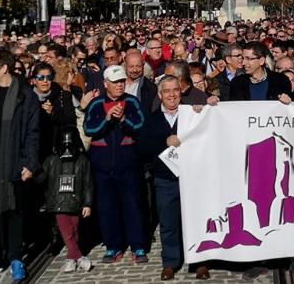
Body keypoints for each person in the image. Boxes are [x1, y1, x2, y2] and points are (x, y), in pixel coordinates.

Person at [0, 48, 41, 282]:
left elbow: (33, 132)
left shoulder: (25, 96)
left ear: (4, 68)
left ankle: (15, 257)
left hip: (14, 161)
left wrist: (30, 163)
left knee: (14, 211)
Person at [139, 76, 209, 280]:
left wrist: (208, 107)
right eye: (167, 91)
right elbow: (142, 148)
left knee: (196, 220)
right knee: (169, 222)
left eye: (175, 90)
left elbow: (210, 129)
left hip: (193, 178)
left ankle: (199, 262)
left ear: (181, 92)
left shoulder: (193, 114)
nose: (171, 95)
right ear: (160, 95)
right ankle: (170, 262)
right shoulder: (152, 119)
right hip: (165, 179)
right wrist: (164, 141)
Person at [83, 64, 147, 263]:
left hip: (128, 164)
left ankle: (138, 246)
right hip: (102, 167)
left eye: (122, 81)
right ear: (105, 84)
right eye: (115, 82)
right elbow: (88, 128)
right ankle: (113, 246)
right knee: (107, 207)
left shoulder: (132, 102)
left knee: (133, 206)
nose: (120, 85)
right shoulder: (95, 104)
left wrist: (123, 121)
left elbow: (140, 125)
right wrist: (107, 119)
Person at [40, 127, 94, 273]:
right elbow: (40, 178)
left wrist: (88, 203)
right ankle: (79, 257)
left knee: (74, 231)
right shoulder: (51, 161)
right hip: (58, 202)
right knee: (67, 232)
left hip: (75, 202)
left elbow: (88, 184)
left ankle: (71, 259)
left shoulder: (82, 161)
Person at [31, 61, 77, 160]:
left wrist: (53, 112)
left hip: (55, 151)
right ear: (34, 81)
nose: (45, 81)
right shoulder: (27, 98)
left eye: (49, 77)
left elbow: (70, 121)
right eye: (41, 78)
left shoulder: (61, 95)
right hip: (33, 150)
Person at [227, 44, 293, 103]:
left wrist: (288, 101)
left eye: (248, 59)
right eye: (243, 58)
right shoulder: (237, 83)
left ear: (261, 61)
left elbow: (291, 108)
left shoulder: (281, 81)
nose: (243, 63)